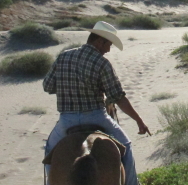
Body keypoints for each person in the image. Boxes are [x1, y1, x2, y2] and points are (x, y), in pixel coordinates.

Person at [43, 21, 149, 185]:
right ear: (100, 41)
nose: (108, 49)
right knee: (126, 147)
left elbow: (48, 86)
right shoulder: (102, 63)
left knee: (50, 152)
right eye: (109, 44)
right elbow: (118, 97)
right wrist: (139, 121)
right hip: (97, 116)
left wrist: (69, 87)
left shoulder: (63, 56)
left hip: (67, 120)